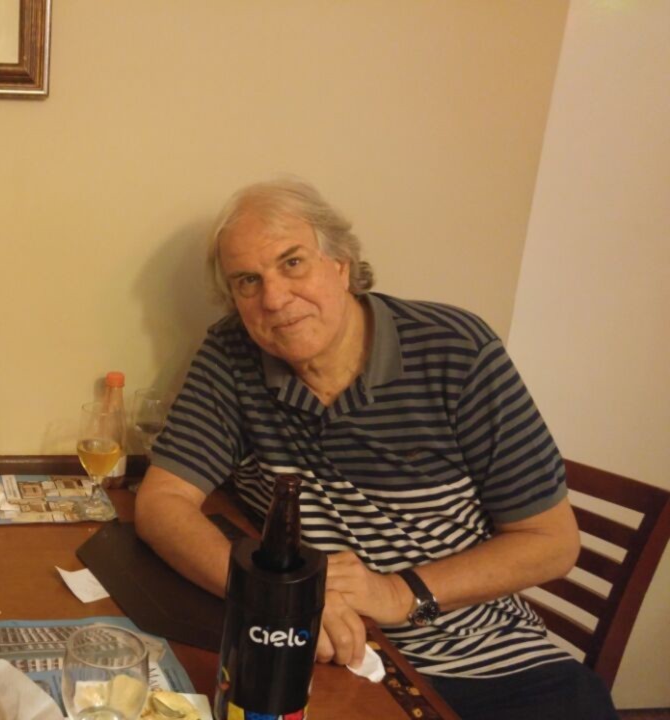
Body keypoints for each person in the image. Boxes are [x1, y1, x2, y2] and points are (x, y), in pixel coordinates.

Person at [134, 178, 618, 719]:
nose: (274, 298)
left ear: (341, 264)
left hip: (480, 658)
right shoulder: (232, 353)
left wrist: (399, 593)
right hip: (319, 658)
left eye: (293, 263)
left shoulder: (456, 350)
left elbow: (551, 542)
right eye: (248, 281)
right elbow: (162, 503)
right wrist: (276, 602)